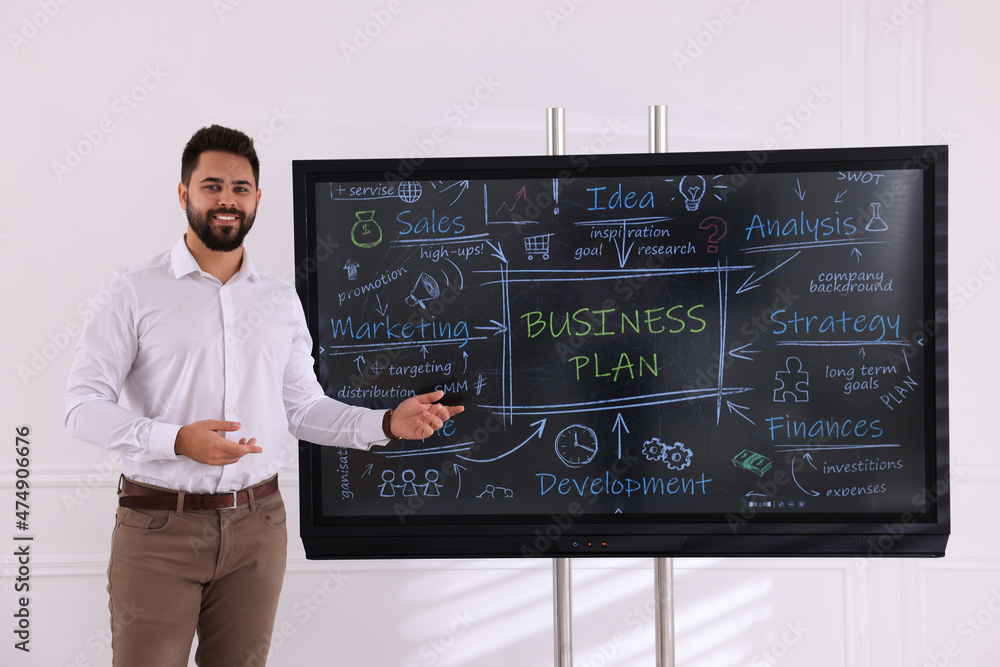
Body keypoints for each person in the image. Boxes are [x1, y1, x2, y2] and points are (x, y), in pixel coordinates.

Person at [65, 124, 464, 666]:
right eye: (211, 186)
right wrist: (177, 440)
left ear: (256, 199)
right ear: (184, 194)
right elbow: (81, 409)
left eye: (240, 188)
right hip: (158, 529)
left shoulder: (279, 299)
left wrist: (388, 423)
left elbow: (302, 409)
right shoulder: (132, 291)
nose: (226, 199)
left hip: (258, 527)